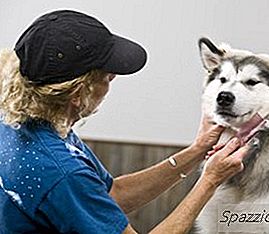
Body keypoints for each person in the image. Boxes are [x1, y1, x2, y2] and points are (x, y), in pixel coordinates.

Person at [0, 10, 248, 234]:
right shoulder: (63, 173)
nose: (114, 77)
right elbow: (78, 188)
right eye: (107, 76)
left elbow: (110, 195)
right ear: (78, 95)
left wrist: (196, 151)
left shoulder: (28, 121)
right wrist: (209, 181)